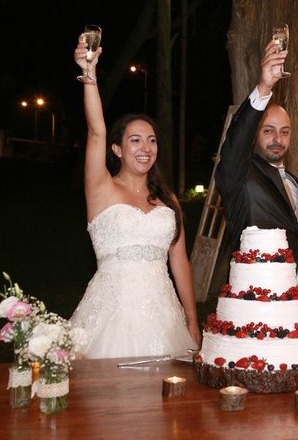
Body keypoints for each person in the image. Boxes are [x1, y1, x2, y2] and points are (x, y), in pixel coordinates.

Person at [69, 35, 201, 359]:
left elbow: (179, 261)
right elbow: (96, 129)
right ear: (117, 149)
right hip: (111, 317)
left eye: (152, 141)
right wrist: (89, 76)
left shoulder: (168, 200)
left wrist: (192, 319)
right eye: (136, 140)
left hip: (165, 317)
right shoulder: (102, 189)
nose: (146, 148)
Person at [215, 40, 298, 320]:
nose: (278, 139)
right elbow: (235, 142)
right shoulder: (239, 177)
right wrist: (263, 88)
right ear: (254, 134)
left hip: (296, 301)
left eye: (285, 132)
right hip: (255, 303)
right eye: (269, 131)